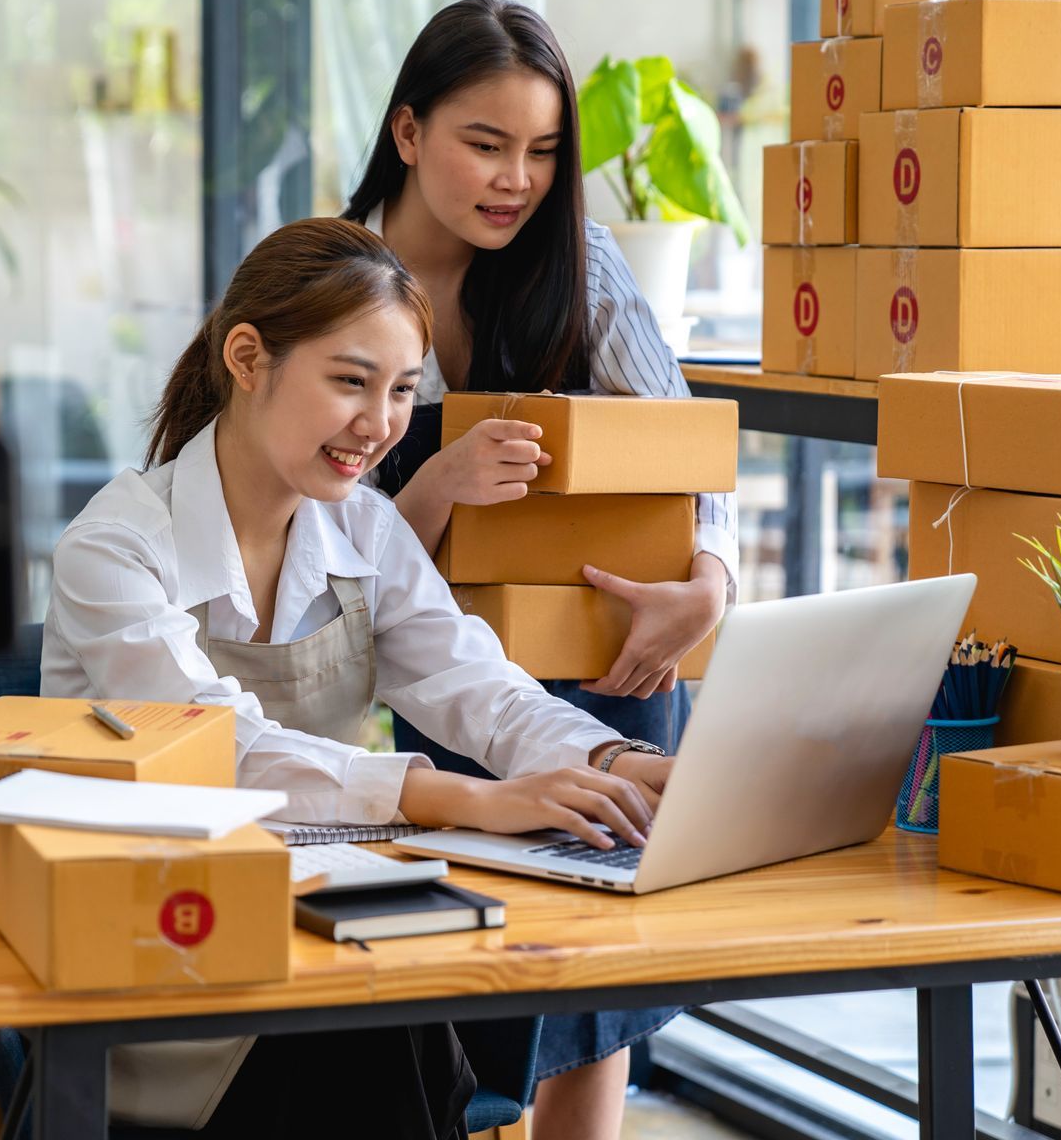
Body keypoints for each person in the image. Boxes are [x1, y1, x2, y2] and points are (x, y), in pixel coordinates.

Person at [42, 216, 674, 1138]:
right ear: (248, 358)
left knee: (393, 1011)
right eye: (350, 381)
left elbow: (484, 692)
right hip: (157, 955)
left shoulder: (364, 533)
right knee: (374, 1032)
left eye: (402, 391)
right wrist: (458, 799)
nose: (379, 426)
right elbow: (217, 745)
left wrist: (619, 761)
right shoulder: (115, 547)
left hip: (320, 934)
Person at [341, 0, 740, 1136]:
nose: (515, 179)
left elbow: (684, 450)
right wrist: (434, 487)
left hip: (619, 660)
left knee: (596, 984)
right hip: (440, 681)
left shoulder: (584, 262)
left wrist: (707, 584)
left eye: (543, 151)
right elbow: (311, 552)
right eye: (485, 143)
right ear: (409, 132)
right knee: (477, 974)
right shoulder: (336, 282)